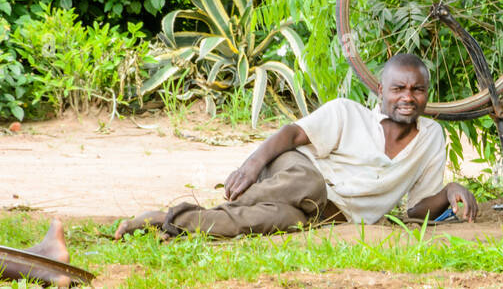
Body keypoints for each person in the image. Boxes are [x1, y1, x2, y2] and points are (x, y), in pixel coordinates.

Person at [114, 53, 478, 239]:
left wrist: (450, 191)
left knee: (272, 222)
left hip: (322, 214)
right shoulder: (347, 113)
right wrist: (252, 165)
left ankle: (167, 221)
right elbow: (291, 135)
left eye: (417, 90)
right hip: (295, 172)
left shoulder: (432, 137)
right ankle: (223, 203)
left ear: (427, 94)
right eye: (398, 89)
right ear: (380, 91)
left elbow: (415, 209)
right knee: (311, 184)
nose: (408, 98)